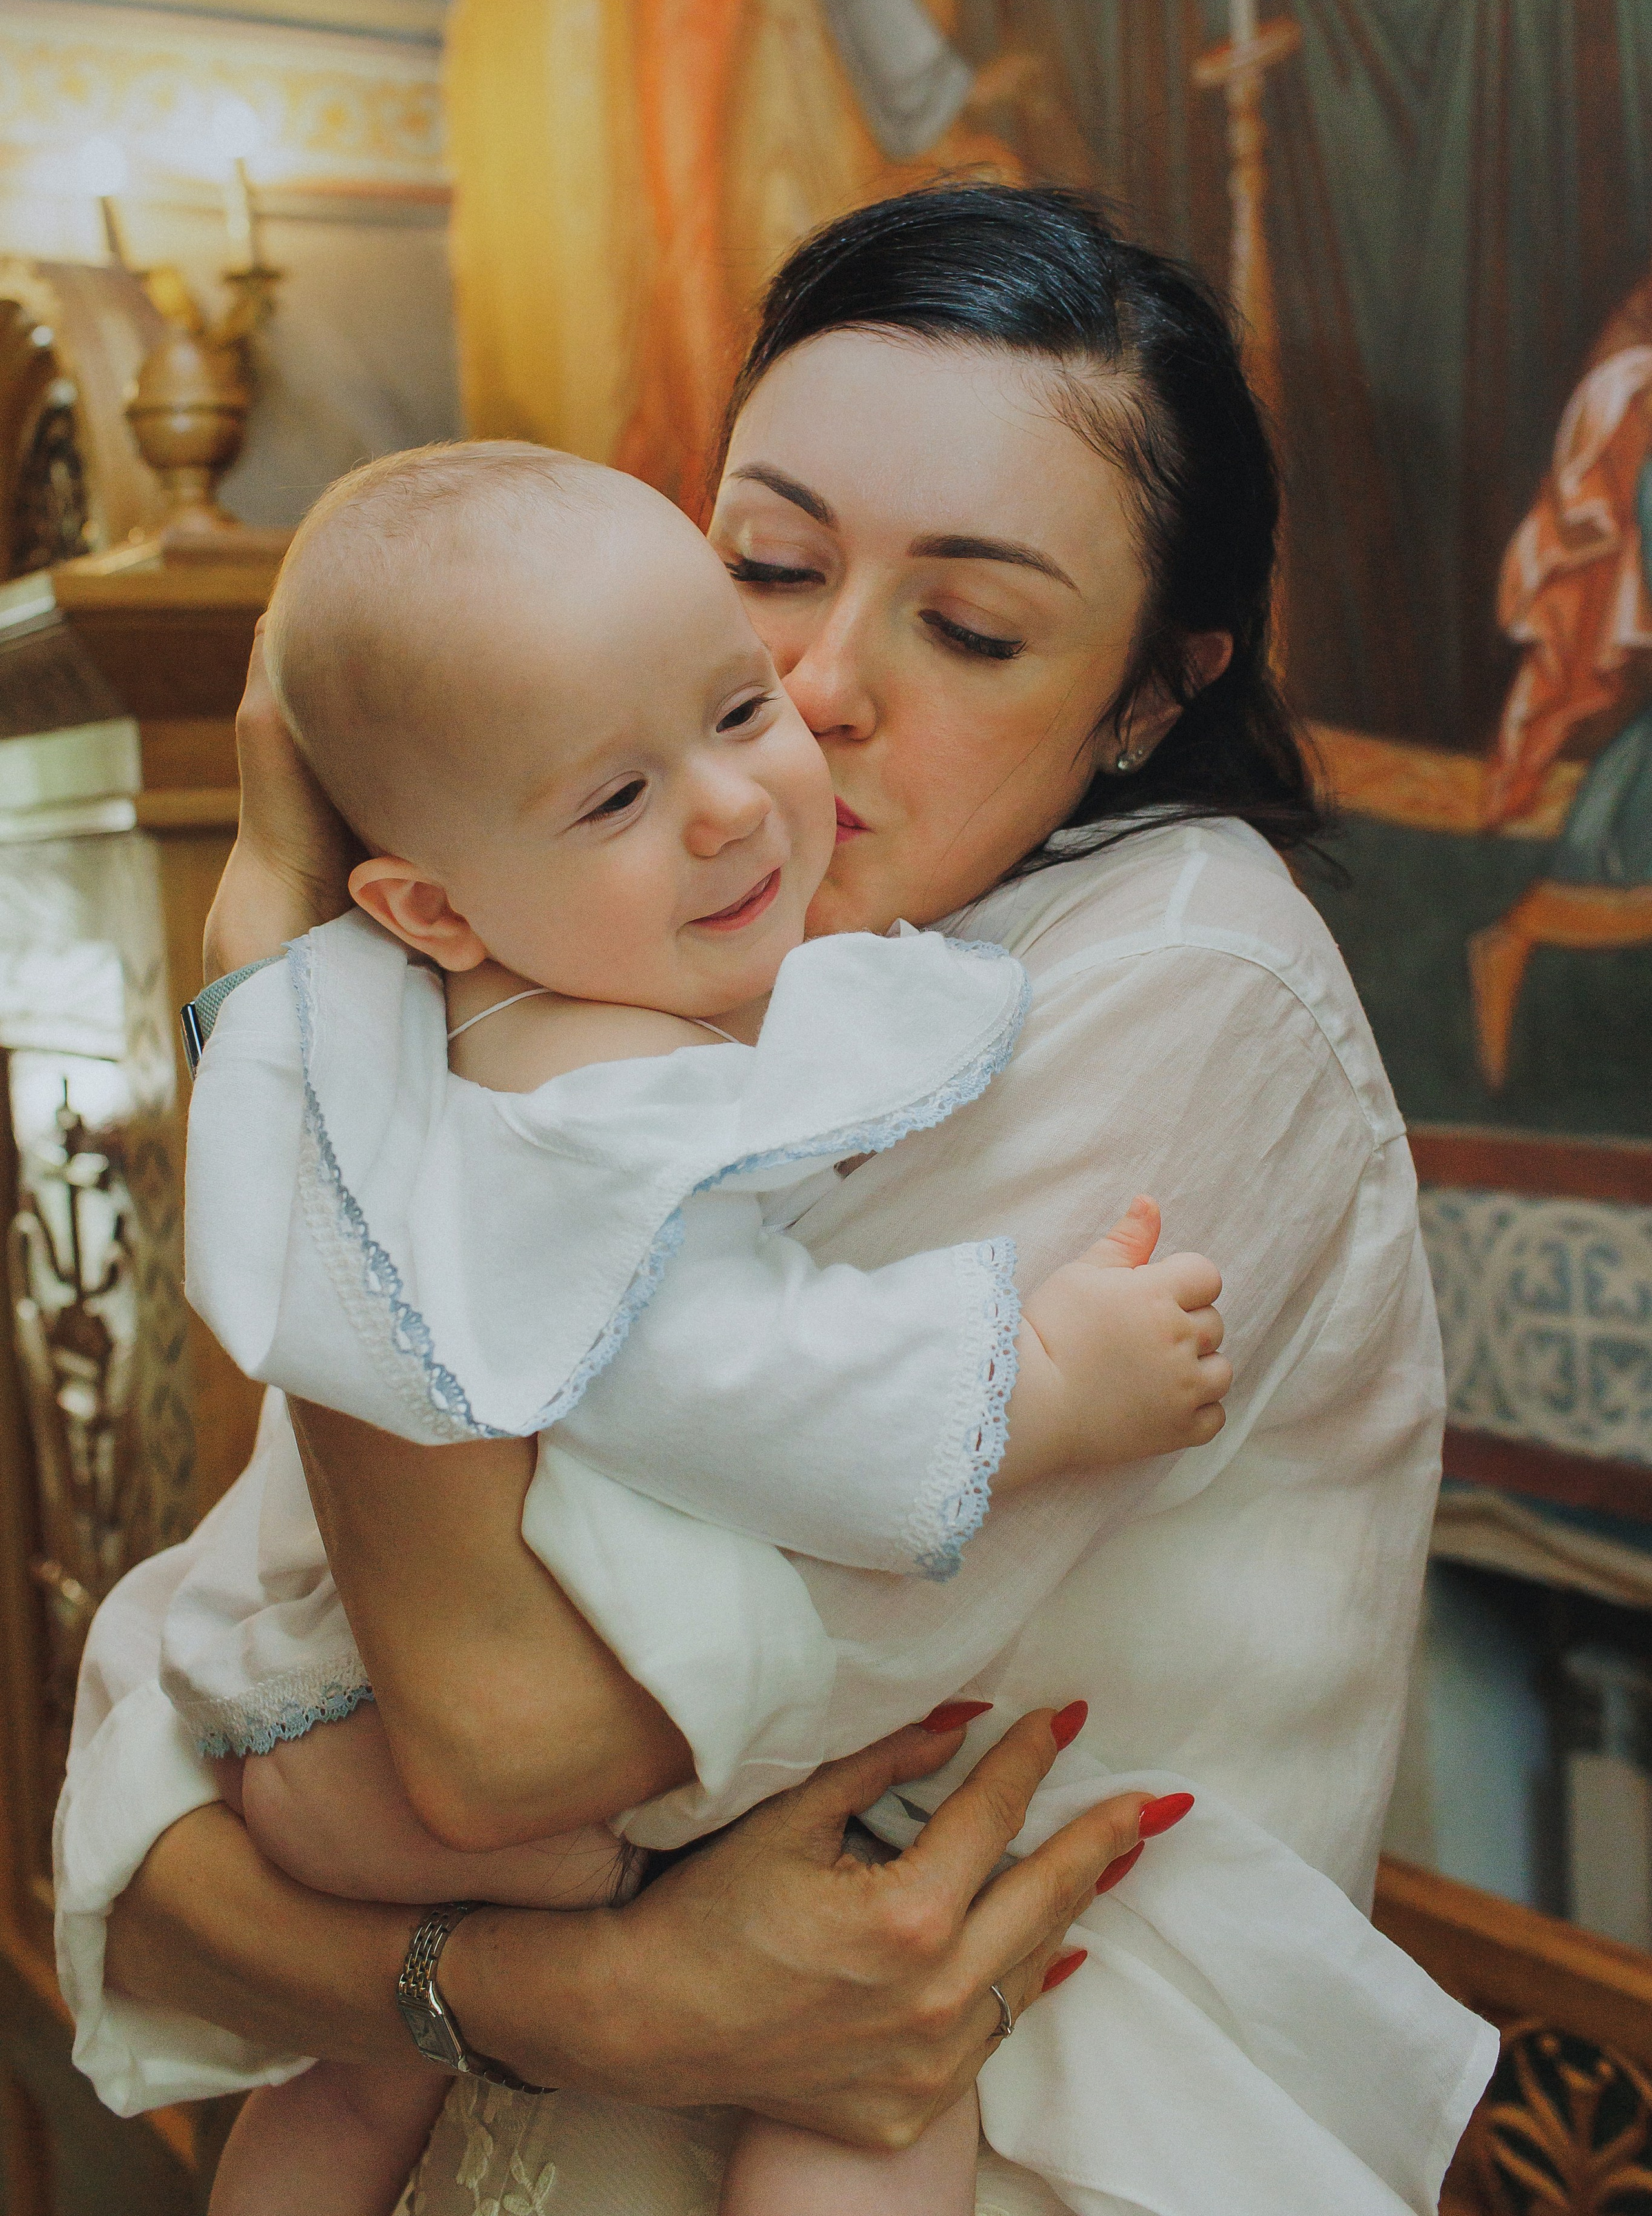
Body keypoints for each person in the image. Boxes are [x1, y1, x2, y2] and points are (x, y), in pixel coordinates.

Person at [57, 187, 1492, 2216]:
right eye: (768, 565)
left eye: (972, 628)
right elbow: (202, 1700)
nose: (812, 691)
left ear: (1152, 696)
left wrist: (292, 983)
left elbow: (486, 1738)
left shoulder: (1175, 975)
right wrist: (576, 1998)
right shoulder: (646, 960)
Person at [167, 438, 1233, 2216]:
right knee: (875, 2093)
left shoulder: (452, 998)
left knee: (355, 2093)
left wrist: (274, 867)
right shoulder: (597, 1106)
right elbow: (729, 1381)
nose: (736, 803)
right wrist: (1041, 1385)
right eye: (614, 801)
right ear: (427, 906)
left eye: (738, 711)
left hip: (303, 1713)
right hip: (396, 1746)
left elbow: (264, 1056)